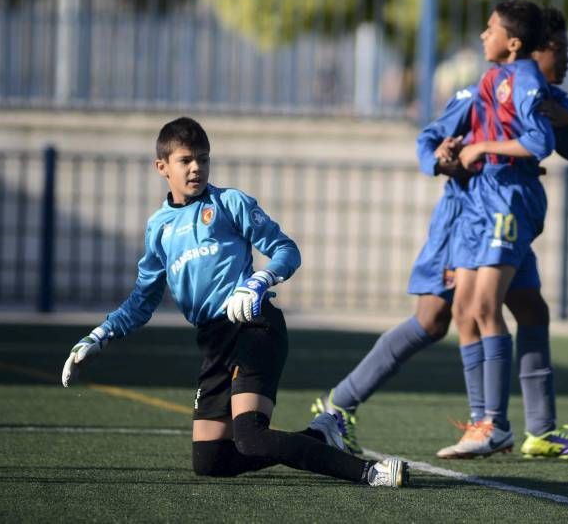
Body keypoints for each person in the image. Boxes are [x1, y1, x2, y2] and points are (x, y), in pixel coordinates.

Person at [312, 5, 568, 460]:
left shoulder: (550, 97)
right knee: (434, 318)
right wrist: (443, 158)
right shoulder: (486, 89)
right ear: (530, 49)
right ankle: (340, 406)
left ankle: (538, 430)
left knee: (531, 309)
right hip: (468, 217)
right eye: (558, 51)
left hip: (508, 214)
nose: (565, 61)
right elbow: (431, 141)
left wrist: (562, 119)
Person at [60, 117, 409, 487]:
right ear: (161, 167)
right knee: (210, 461)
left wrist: (260, 281)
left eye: (204, 159)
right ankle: (321, 436)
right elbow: (142, 299)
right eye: (186, 160)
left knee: (250, 435)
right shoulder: (158, 228)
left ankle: (371, 472)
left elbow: (286, 250)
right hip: (214, 343)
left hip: (253, 328)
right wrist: (100, 335)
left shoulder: (229, 203)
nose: (196, 168)